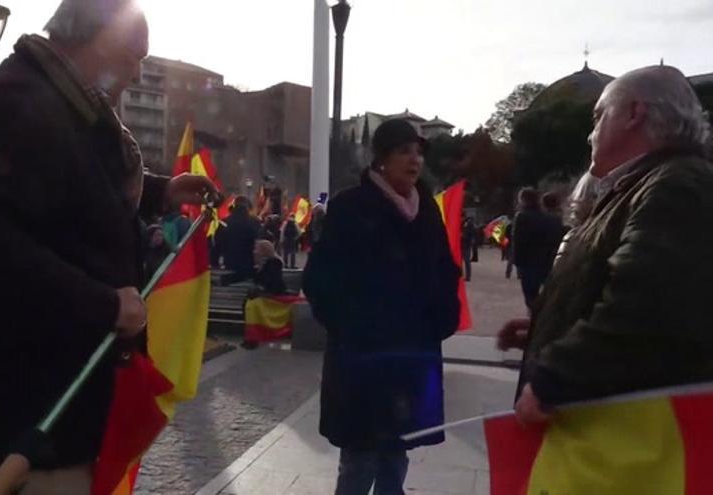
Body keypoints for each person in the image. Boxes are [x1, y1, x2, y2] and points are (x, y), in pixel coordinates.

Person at [0, 1, 218, 492]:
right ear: (93, 37)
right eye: (133, 53)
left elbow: (68, 193)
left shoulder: (69, 106)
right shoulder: (15, 103)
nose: (137, 71)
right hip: (11, 423)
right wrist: (102, 305)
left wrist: (160, 191)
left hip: (52, 419)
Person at [498, 66, 713, 438]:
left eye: (598, 116)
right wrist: (549, 325)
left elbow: (645, 305)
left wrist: (555, 377)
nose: (589, 132)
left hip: (617, 437)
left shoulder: (676, 183)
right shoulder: (643, 184)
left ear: (634, 113)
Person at [303, 119, 460, 495]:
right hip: (363, 356)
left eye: (418, 152)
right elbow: (320, 279)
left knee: (398, 449)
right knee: (360, 456)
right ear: (382, 159)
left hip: (412, 352)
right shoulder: (351, 206)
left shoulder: (426, 210)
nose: (414, 160)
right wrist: (351, 328)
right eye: (404, 151)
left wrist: (442, 316)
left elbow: (445, 269)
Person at [511, 188, 560, 308]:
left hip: (527, 262)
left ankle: (535, 319)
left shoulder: (521, 217)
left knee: (530, 296)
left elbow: (518, 241)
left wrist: (517, 262)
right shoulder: (549, 218)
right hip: (546, 262)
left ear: (523, 200)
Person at [215, 196, 261, 286]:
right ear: (247, 207)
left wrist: (215, 263)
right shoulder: (254, 222)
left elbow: (217, 245)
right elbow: (260, 243)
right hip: (248, 266)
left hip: (229, 265)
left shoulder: (224, 222)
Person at [461, 217, 476, 282]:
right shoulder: (462, 223)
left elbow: (471, 234)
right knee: (461, 261)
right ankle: (462, 275)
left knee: (466, 261)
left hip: (466, 244)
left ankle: (467, 276)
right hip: (462, 244)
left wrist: (463, 236)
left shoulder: (469, 224)